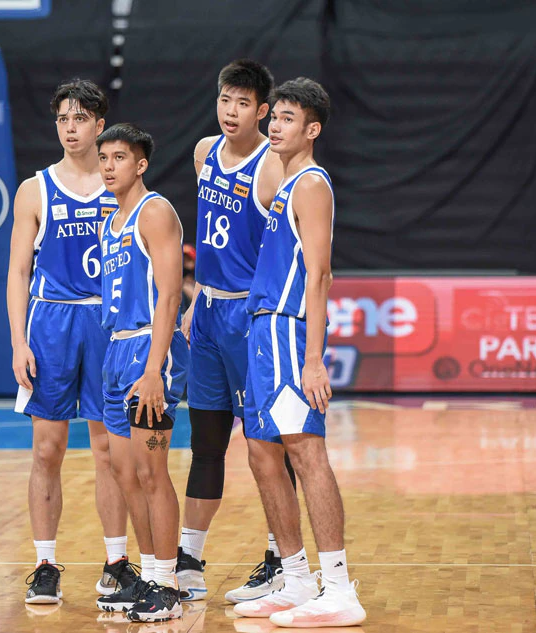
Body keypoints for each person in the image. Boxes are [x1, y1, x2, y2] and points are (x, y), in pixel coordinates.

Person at [239, 78, 366, 627]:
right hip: (261, 331)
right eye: (275, 116)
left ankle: (338, 589)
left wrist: (313, 359)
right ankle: (295, 579)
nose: (275, 125)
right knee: (261, 454)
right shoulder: (285, 181)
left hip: (289, 333)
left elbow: (320, 274)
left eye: (288, 119)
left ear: (312, 130)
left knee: (306, 453)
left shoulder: (311, 184)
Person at [177, 59, 300, 605]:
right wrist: (196, 296)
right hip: (206, 314)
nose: (231, 111)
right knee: (205, 442)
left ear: (263, 111)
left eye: (243, 103)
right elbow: (212, 238)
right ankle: (188, 557)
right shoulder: (204, 152)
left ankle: (280, 559)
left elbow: (289, 243)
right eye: (225, 100)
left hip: (249, 320)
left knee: (265, 447)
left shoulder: (272, 167)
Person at [7, 79, 133, 604]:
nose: (70, 128)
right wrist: (18, 342)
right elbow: (18, 271)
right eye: (63, 118)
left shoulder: (120, 183)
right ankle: (44, 564)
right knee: (46, 449)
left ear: (99, 125)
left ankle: (117, 561)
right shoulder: (35, 188)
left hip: (106, 322)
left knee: (108, 450)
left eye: (80, 118)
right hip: (51, 323)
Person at [95, 123, 189, 623]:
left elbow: (170, 295)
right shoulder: (109, 222)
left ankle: (168, 584)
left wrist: (154, 369)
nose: (110, 166)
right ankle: (149, 573)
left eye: (119, 157)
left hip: (150, 350)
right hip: (116, 349)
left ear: (141, 164)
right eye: (104, 158)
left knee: (152, 471)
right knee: (123, 471)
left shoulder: (154, 212)